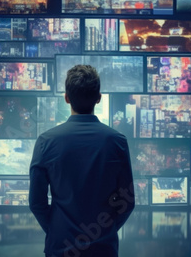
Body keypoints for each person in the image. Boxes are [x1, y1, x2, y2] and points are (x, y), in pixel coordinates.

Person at [29, 65, 135, 257]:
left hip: (60, 248)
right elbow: (127, 202)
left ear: (67, 98)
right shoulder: (117, 141)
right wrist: (106, 230)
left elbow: (37, 202)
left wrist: (56, 231)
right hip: (103, 249)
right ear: (99, 98)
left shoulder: (46, 142)